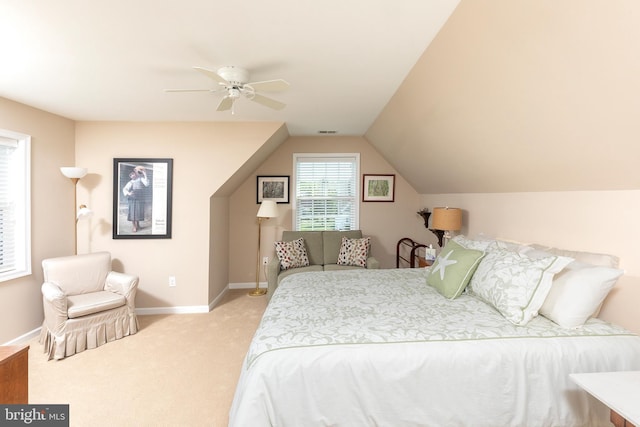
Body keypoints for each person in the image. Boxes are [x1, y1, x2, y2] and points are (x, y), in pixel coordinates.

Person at [122, 166, 149, 232]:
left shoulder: (140, 179)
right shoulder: (130, 182)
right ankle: (134, 226)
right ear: (130, 176)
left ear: (135, 173)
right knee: (133, 213)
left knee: (138, 212)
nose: (132, 176)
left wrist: (145, 174)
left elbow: (147, 184)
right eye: (130, 175)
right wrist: (129, 193)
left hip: (140, 197)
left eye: (133, 174)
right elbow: (124, 189)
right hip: (133, 199)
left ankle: (138, 225)